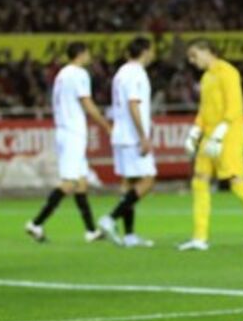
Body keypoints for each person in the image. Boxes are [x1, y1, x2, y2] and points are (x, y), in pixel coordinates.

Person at [177, 39, 243, 252]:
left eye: (194, 55)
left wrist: (220, 134)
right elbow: (204, 110)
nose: (192, 61)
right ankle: (199, 237)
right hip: (209, 136)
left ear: (207, 51)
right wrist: (195, 132)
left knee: (236, 181)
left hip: (229, 136)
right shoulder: (206, 77)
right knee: (199, 181)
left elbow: (234, 107)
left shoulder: (228, 72)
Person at [25, 42, 111, 243]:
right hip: (73, 132)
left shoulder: (62, 74)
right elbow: (86, 102)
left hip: (64, 130)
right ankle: (36, 223)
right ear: (81, 54)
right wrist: (105, 125)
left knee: (81, 183)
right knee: (69, 183)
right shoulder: (79, 74)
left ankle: (90, 231)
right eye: (87, 53)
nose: (89, 56)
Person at [97, 37, 157, 248]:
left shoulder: (121, 73)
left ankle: (130, 235)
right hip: (132, 137)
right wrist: (143, 136)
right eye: (152, 50)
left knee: (130, 183)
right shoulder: (136, 73)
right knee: (148, 180)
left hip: (121, 134)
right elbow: (133, 104)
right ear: (145, 51)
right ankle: (110, 218)